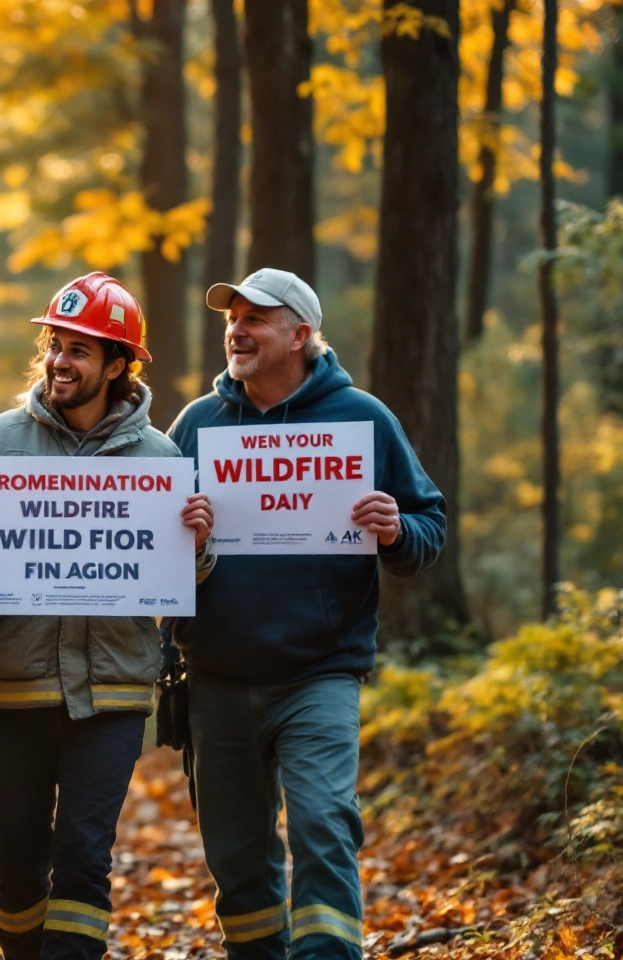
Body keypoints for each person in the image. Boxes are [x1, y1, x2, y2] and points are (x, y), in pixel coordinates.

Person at [0, 273, 215, 960]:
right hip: (13, 687)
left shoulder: (160, 459)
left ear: (117, 366)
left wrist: (199, 546)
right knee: (16, 864)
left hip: (114, 695)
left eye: (78, 350)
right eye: (55, 345)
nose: (59, 361)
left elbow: (184, 578)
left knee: (85, 857)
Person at [166, 269, 447, 960]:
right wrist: (181, 534)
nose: (236, 330)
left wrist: (395, 530)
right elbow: (149, 545)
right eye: (232, 319)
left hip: (320, 673)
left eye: (254, 319)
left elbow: (428, 528)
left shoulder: (364, 419)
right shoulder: (198, 424)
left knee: (323, 824)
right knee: (235, 852)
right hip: (215, 676)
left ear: (299, 334)